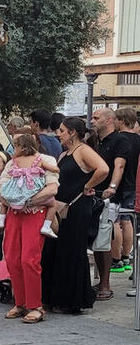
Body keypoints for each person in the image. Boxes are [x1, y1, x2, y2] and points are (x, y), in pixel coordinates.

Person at [40, 118, 107, 315]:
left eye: (61, 131)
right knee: (55, 251)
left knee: (71, 252)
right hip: (61, 210)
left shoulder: (83, 150)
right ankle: (55, 297)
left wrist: (88, 186)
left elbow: (103, 169)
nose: (58, 134)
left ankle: (72, 300)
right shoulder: (64, 154)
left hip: (76, 209)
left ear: (72, 133)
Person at [0, 134, 59, 323]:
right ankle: (20, 302)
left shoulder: (45, 160)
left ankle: (35, 305)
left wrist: (26, 200)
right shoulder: (11, 163)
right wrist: (16, 201)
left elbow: (52, 188)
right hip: (16, 215)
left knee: (29, 260)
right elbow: (1, 188)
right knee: (13, 258)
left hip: (34, 214)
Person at [90, 107, 130, 301]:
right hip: (97, 195)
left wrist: (113, 187)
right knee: (99, 239)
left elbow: (119, 165)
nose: (92, 121)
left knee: (104, 239)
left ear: (108, 121)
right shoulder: (100, 141)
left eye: (96, 118)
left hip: (110, 197)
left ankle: (105, 284)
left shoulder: (120, 140)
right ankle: (102, 282)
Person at [112, 108, 140, 275]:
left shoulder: (119, 139)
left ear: (121, 121)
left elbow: (118, 164)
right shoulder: (138, 139)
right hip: (132, 184)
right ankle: (126, 256)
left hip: (119, 183)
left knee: (114, 221)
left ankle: (116, 260)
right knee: (128, 220)